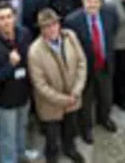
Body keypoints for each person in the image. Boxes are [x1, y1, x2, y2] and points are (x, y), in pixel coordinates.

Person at [28, 9, 87, 163]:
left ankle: (70, 149)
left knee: (70, 128)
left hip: (73, 97)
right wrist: (63, 100)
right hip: (51, 105)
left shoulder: (70, 37)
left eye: (54, 24)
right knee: (52, 135)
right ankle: (51, 155)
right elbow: (40, 85)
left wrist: (77, 90)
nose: (52, 28)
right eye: (47, 26)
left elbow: (82, 63)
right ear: (41, 29)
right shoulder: (34, 51)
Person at [0, 2, 34, 163]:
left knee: (22, 127)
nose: (6, 21)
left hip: (23, 93)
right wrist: (9, 66)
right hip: (4, 98)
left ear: (15, 17)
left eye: (9, 16)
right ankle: (9, 160)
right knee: (7, 135)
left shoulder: (24, 33)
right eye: (1, 18)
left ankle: (21, 152)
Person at [64, 0, 119, 143]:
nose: (92, 5)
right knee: (86, 101)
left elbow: (112, 32)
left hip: (105, 64)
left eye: (96, 1)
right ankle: (86, 128)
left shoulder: (110, 12)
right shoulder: (71, 21)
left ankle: (104, 119)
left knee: (106, 96)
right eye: (88, 1)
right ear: (82, 1)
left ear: (101, 1)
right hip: (85, 70)